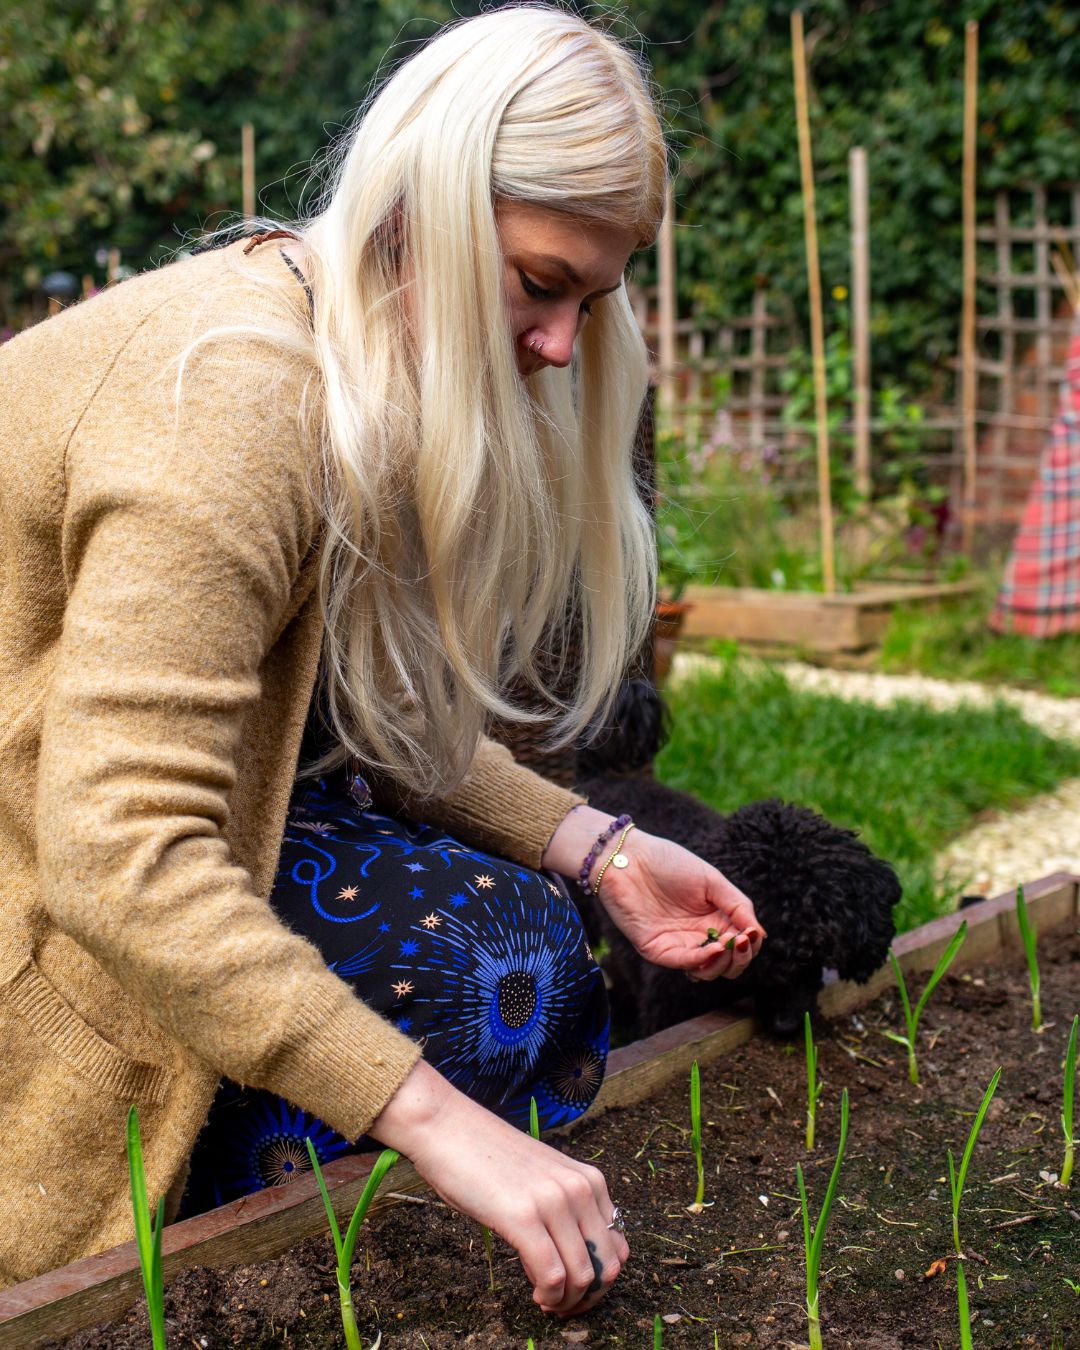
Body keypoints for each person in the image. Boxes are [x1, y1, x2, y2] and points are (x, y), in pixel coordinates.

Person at [0, 4, 763, 1318]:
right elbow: (118, 842)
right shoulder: (232, 403)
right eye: (538, 281)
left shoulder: (341, 349)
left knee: (524, 932)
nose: (563, 348)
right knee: (478, 972)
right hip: (38, 885)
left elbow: (350, 719)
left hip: (65, 825)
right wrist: (438, 1123)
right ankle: (224, 1244)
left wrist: (600, 848)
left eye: (593, 297)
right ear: (421, 213)